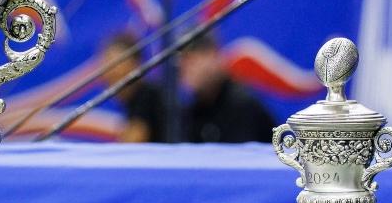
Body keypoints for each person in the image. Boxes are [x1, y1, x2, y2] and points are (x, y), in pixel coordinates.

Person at [99, 31, 275, 143]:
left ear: (214, 55)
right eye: (181, 60)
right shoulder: (196, 110)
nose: (184, 66)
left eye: (192, 58)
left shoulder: (241, 104)